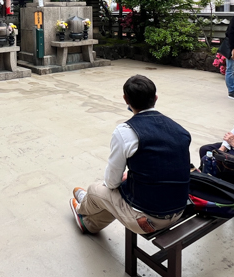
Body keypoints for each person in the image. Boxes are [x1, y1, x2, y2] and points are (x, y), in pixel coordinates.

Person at [69, 75, 191, 235]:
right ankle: (89, 224)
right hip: (179, 209)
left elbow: (112, 183)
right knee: (120, 189)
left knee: (96, 189)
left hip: (148, 218)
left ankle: (82, 207)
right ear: (155, 98)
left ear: (126, 99)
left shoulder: (126, 132)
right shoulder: (180, 130)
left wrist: (123, 178)